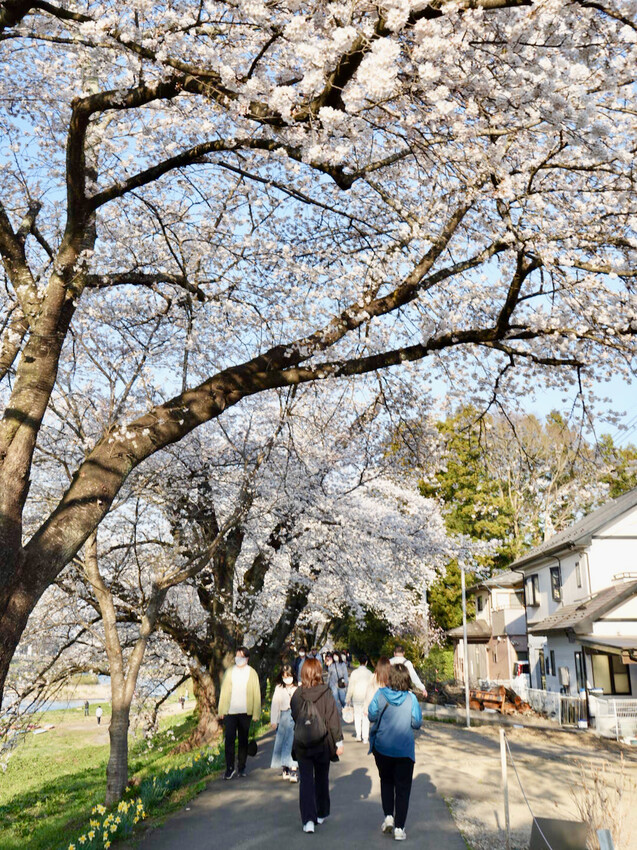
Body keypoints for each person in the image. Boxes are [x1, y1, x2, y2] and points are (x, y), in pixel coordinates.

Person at [368, 664, 422, 841]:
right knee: (403, 789)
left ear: (390, 678)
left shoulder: (380, 694)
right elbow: (416, 723)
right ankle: (399, 828)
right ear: (406, 679)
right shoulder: (411, 699)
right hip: (404, 751)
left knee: (386, 782)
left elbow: (371, 715)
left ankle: (388, 817)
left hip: (383, 748)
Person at [290, 658, 343, 834]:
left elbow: (295, 715)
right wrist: (339, 741)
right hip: (323, 742)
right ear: (319, 672)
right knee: (321, 779)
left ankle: (308, 821)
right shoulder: (326, 692)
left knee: (306, 781)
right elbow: (333, 718)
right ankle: (321, 813)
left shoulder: (298, 694)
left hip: (303, 742)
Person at [218, 646, 262, 779]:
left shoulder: (252, 672)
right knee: (229, 740)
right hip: (230, 711)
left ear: (247, 658)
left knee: (243, 741)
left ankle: (241, 767)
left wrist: (256, 713)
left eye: (241, 656)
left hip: (245, 712)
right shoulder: (230, 672)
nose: (238, 658)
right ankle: (229, 768)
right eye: (237, 656)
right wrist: (221, 710)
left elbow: (256, 693)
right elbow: (224, 691)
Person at [270, 663, 298, 782]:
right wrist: (274, 720)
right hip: (283, 718)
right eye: (284, 676)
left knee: (293, 744)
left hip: (295, 718)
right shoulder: (279, 688)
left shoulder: (298, 687)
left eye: (289, 676)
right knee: (283, 743)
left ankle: (293, 770)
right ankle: (285, 767)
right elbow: (275, 704)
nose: (287, 678)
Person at [345, 655, 373, 742]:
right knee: (366, 717)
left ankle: (358, 735)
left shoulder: (354, 673)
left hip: (356, 698)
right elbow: (372, 687)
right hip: (366, 698)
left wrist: (348, 697)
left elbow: (351, 687)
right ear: (366, 662)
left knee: (357, 716)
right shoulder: (369, 673)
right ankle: (365, 737)